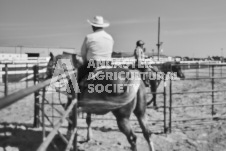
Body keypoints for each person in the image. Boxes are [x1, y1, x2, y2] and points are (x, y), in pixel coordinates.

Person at [78, 16, 114, 83]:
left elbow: (83, 53)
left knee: (78, 75)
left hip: (93, 64)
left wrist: (85, 62)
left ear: (93, 26)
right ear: (102, 26)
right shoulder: (110, 37)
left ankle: (77, 92)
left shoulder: (89, 37)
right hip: (108, 64)